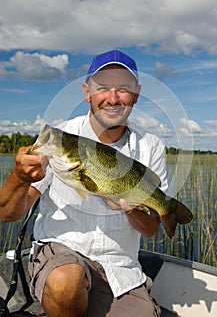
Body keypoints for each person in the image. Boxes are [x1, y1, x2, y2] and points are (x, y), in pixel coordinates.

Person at [0, 50, 168, 317]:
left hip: (119, 267)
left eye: (123, 89)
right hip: (60, 253)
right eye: (102, 88)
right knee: (65, 282)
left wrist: (129, 208)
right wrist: (19, 177)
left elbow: (150, 229)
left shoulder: (151, 146)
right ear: (86, 92)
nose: (112, 99)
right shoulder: (60, 138)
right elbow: (7, 213)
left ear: (136, 94)